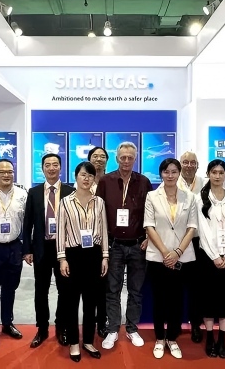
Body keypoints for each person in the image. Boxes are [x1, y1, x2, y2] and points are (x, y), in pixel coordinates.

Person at [96, 141, 151, 350]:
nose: (126, 161)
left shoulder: (144, 182)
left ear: (135, 159)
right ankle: (112, 329)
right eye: (123, 157)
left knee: (136, 290)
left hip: (138, 245)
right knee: (113, 290)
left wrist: (148, 236)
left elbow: (151, 213)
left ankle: (132, 328)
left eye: (130, 157)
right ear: (117, 158)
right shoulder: (106, 181)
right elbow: (98, 213)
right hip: (114, 244)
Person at [144, 158, 198, 359]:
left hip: (182, 257)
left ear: (179, 173)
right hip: (158, 256)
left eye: (174, 171)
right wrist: (166, 253)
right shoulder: (152, 196)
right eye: (166, 171)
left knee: (177, 299)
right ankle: (160, 338)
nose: (170, 175)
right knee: (159, 299)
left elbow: (192, 227)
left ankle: (172, 338)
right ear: (161, 174)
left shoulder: (189, 197)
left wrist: (177, 253)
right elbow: (149, 225)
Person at [57, 161, 109, 362]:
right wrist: (62, 258)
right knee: (71, 301)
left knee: (91, 302)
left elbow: (103, 230)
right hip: (73, 255)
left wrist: (105, 256)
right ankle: (73, 342)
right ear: (76, 176)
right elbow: (61, 232)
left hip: (94, 255)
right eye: (83, 175)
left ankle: (88, 340)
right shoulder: (65, 202)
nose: (86, 179)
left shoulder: (99, 202)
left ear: (94, 178)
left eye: (90, 175)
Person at [22, 153, 75, 348]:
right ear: (42, 168)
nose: (51, 168)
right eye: (47, 165)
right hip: (41, 248)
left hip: (64, 250)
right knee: (41, 290)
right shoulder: (34, 192)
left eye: (55, 164)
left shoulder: (70, 191)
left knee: (65, 290)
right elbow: (27, 223)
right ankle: (42, 329)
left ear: (60, 167)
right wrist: (27, 250)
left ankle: (61, 327)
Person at [197, 159, 225, 358]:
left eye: (221, 172)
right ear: (208, 174)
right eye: (213, 172)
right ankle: (209, 338)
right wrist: (215, 255)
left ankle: (222, 340)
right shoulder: (200, 197)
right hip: (208, 257)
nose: (217, 176)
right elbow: (203, 230)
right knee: (208, 299)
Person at [0, 159, 27, 347]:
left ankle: (7, 323)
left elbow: (27, 223)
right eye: (2, 172)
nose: (6, 175)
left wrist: (26, 248)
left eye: (10, 171)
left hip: (14, 247)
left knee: (10, 288)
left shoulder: (22, 194)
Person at [178, 151, 205, 343]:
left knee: (197, 287)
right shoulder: (172, 182)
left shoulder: (205, 184)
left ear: (197, 165)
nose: (189, 165)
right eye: (185, 162)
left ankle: (196, 324)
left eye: (192, 162)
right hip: (178, 242)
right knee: (176, 286)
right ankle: (176, 323)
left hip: (198, 242)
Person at [87, 146, 109, 337]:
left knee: (103, 285)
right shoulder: (82, 183)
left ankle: (102, 321)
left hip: (106, 239)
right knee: (87, 285)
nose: (99, 159)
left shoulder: (111, 182)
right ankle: (88, 320)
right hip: (85, 242)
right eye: (95, 156)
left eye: (102, 157)